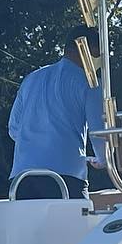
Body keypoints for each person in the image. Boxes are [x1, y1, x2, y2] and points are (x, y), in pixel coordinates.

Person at [7, 25, 106, 199]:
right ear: (88, 50)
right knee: (75, 225)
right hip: (66, 175)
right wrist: (104, 159)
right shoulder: (90, 83)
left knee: (27, 226)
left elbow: (14, 129)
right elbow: (97, 130)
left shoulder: (31, 79)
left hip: (22, 176)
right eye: (99, 54)